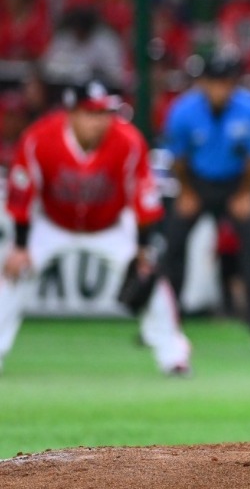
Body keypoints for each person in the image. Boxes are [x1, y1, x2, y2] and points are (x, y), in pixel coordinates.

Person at [0, 79, 191, 376]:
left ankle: (174, 358)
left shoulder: (128, 140)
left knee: (150, 280)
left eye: (104, 113)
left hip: (109, 225)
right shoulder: (40, 138)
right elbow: (22, 193)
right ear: (71, 113)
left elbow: (144, 199)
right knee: (11, 275)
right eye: (91, 113)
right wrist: (21, 246)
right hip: (52, 223)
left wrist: (142, 248)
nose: (99, 121)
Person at [158, 51, 250, 348]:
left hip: (238, 181)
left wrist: (246, 194)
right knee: (172, 247)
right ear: (203, 83)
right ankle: (163, 324)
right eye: (214, 82)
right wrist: (186, 192)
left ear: (233, 84)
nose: (219, 89)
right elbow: (177, 157)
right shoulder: (183, 110)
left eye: (225, 83)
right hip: (196, 181)